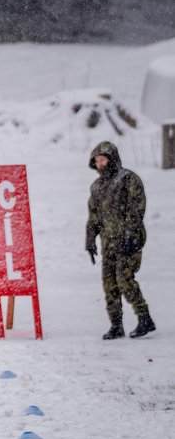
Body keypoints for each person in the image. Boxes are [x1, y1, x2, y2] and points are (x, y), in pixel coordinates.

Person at [85, 141, 156, 339]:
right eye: (97, 161)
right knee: (109, 284)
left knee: (124, 279)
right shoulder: (97, 187)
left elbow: (137, 208)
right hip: (108, 243)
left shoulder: (128, 179)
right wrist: (90, 240)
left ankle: (145, 318)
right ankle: (116, 325)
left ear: (112, 158)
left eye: (103, 159)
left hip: (128, 241)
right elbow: (94, 217)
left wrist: (130, 236)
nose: (100, 164)